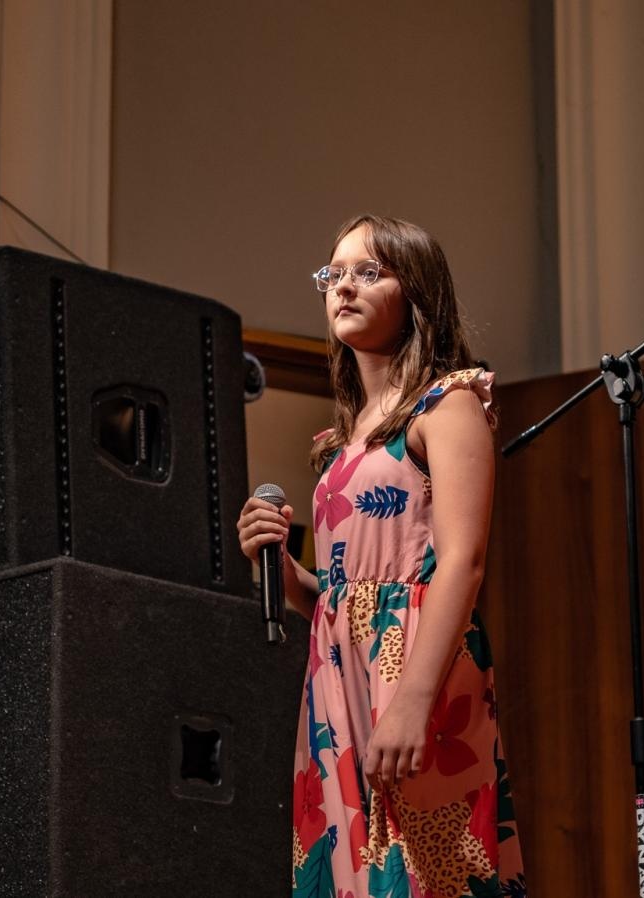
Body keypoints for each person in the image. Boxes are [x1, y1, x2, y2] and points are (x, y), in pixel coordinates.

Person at [237, 215, 527, 897]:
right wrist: (284, 573)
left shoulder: (447, 406)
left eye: (369, 271)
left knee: (428, 874)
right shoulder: (340, 444)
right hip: (338, 678)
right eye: (333, 274)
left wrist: (413, 701)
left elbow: (463, 561)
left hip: (415, 668)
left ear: (416, 290)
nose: (344, 287)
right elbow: (339, 597)